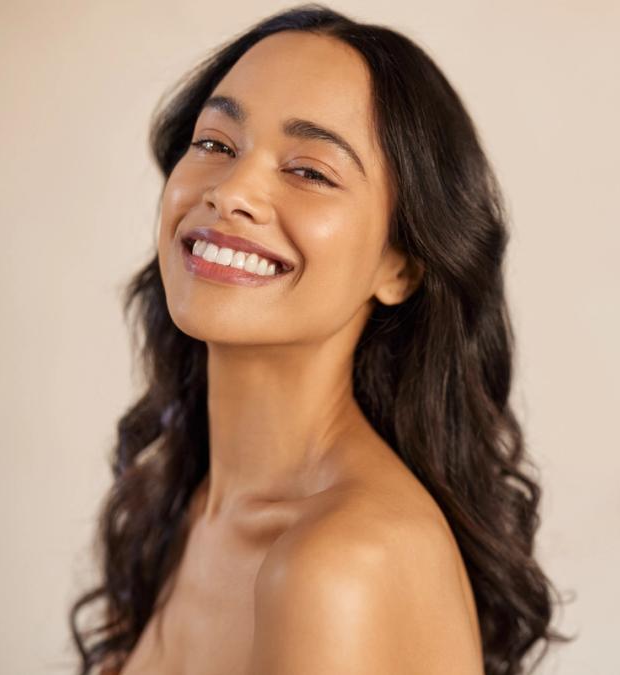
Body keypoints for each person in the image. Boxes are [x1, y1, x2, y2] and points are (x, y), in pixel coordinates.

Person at [68, 4, 572, 675]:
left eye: (309, 171)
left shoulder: (335, 566)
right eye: (216, 143)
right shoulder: (185, 503)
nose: (232, 190)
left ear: (401, 264)